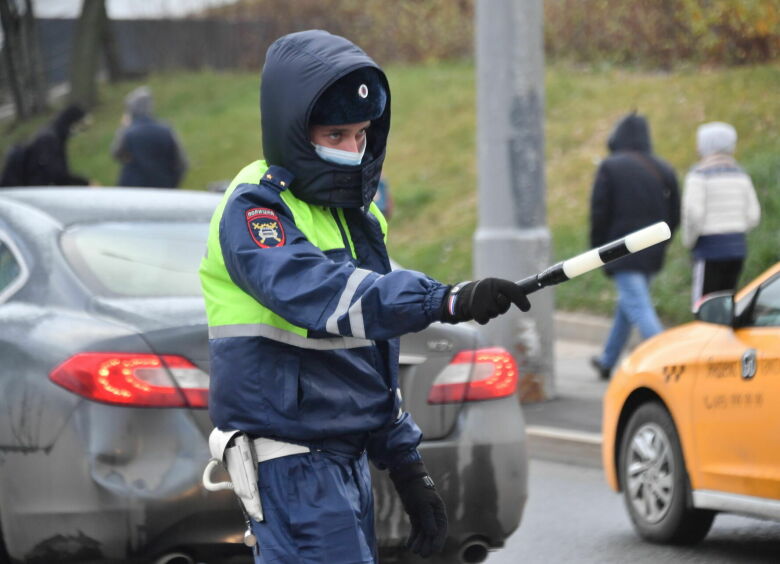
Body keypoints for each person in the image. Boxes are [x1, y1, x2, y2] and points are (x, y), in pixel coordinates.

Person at [199, 29, 531, 563]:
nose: (353, 150)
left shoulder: (355, 217)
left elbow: (369, 355)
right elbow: (326, 296)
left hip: (342, 464)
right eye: (336, 134)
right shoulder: (257, 211)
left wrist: (406, 465)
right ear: (293, 130)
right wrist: (443, 300)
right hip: (293, 464)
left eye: (361, 135)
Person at [589, 112, 680, 380]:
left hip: (620, 249)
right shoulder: (664, 168)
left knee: (637, 306)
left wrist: (598, 250)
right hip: (652, 250)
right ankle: (608, 359)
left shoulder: (610, 167)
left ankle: (670, 361)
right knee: (629, 304)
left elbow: (599, 212)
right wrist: (663, 240)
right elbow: (675, 213)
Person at [681, 121, 760, 309]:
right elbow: (753, 215)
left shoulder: (698, 175)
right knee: (726, 303)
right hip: (737, 248)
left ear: (704, 146)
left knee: (704, 304)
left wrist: (689, 240)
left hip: (709, 249)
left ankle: (705, 337)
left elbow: (693, 213)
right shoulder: (741, 175)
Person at [110, 86, 188, 188]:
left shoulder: (128, 132)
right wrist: (173, 182)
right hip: (162, 188)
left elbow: (116, 153)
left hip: (132, 189)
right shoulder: (166, 130)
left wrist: (123, 127)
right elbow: (182, 163)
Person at [0, 104, 90, 187]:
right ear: (72, 121)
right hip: (25, 189)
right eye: (79, 125)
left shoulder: (56, 136)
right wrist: (85, 183)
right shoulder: (49, 139)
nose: (79, 130)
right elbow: (58, 175)